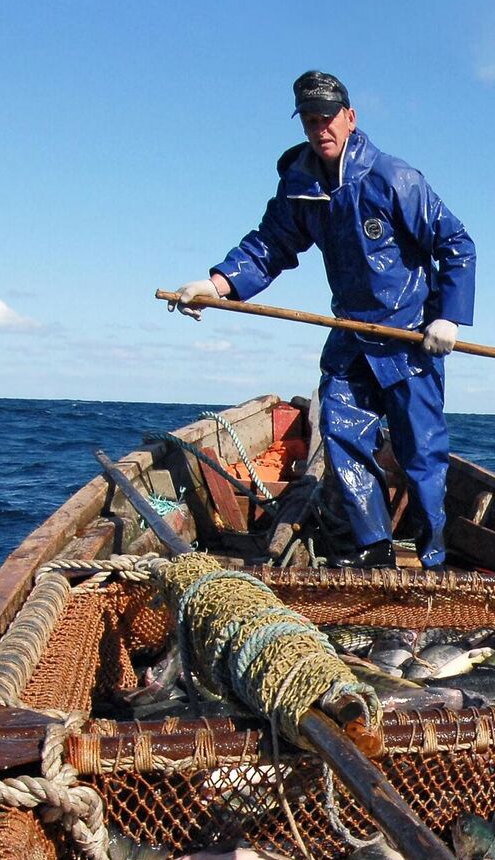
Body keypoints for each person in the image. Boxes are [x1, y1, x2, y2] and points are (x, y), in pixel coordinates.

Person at [175, 70, 475, 569]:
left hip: (408, 338)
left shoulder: (395, 179)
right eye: (310, 121)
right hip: (351, 335)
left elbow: (457, 245)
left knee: (421, 455)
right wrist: (218, 284)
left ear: (350, 118)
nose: (320, 130)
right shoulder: (300, 182)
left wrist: (448, 317)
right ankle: (375, 553)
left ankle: (433, 560)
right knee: (338, 433)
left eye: (328, 118)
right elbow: (270, 244)